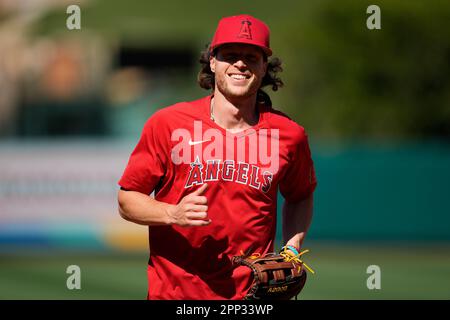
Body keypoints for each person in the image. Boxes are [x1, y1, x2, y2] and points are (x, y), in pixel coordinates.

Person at [117, 14, 317, 300]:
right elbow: (127, 199)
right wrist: (171, 213)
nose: (240, 63)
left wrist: (292, 248)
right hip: (176, 294)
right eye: (230, 55)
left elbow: (300, 195)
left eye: (251, 56)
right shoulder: (169, 123)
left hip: (250, 297)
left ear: (264, 68)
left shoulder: (289, 134)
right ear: (212, 61)